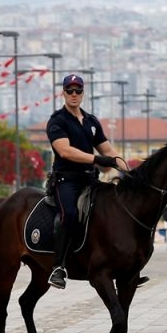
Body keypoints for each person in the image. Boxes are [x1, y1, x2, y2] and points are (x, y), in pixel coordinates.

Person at [45, 73, 120, 289]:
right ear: (63, 93)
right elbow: (65, 151)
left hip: (90, 179)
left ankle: (121, 263)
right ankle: (58, 267)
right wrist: (97, 159)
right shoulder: (57, 120)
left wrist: (129, 171)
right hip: (66, 180)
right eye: (70, 90)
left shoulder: (91, 121)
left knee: (115, 209)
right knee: (68, 213)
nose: (74, 94)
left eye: (78, 90)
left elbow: (108, 151)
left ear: (83, 94)